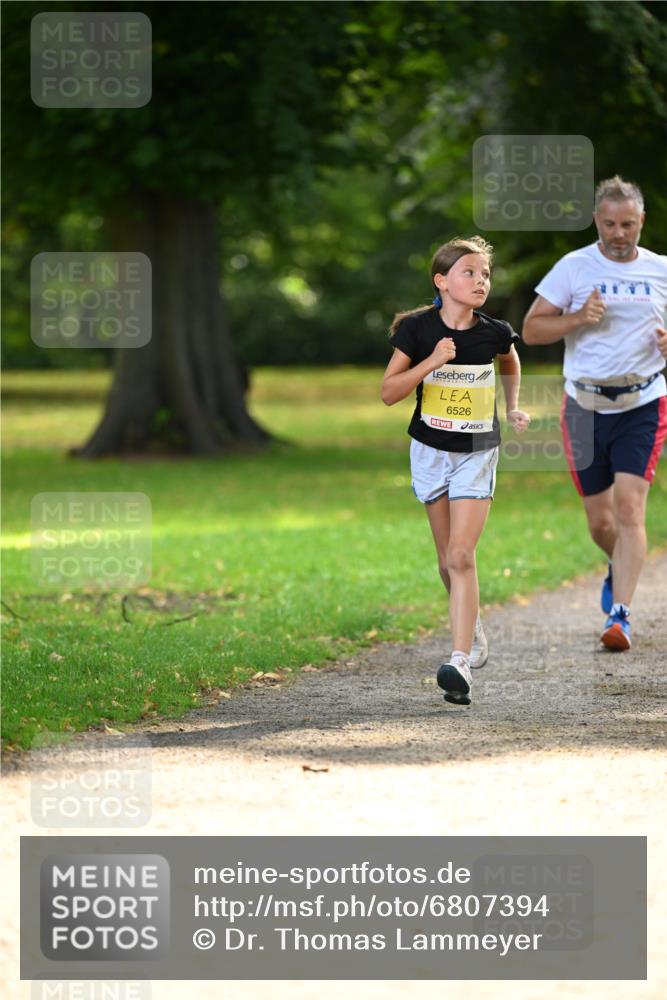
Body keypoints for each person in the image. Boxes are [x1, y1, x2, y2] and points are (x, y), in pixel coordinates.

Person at [381, 236, 530, 705]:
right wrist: (433, 360)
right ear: (441, 280)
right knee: (447, 560)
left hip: (476, 451)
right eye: (470, 272)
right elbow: (388, 392)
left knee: (462, 555)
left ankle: (460, 661)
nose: (481, 281)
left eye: (485, 274)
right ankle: (473, 623)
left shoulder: (495, 331)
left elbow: (510, 359)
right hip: (429, 450)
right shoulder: (419, 332)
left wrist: (512, 407)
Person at [523, 176, 667, 652]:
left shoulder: (662, 270)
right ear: (596, 221)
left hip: (642, 403)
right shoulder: (574, 267)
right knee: (601, 524)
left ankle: (620, 616)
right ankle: (619, 564)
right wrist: (578, 319)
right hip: (583, 407)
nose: (619, 233)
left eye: (627, 223)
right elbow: (532, 330)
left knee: (629, 508)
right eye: (609, 224)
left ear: (642, 221)